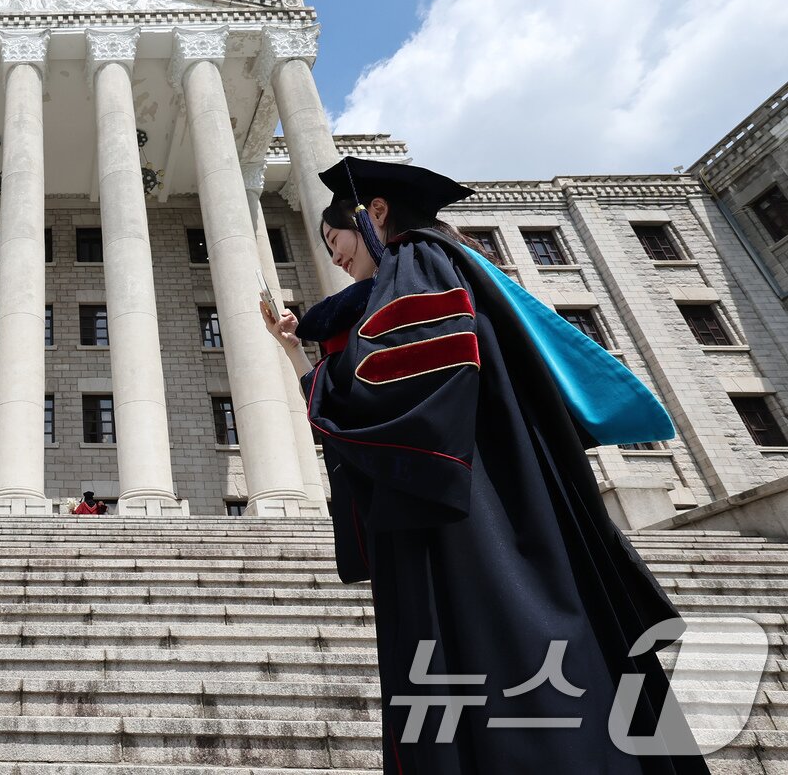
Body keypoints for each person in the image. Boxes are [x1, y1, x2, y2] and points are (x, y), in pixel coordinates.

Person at [261, 156, 708, 774]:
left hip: (467, 510)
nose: (336, 258)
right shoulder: (456, 265)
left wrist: (314, 376)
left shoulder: (416, 262)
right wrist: (303, 353)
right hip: (502, 487)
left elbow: (395, 384)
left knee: (493, 660)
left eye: (335, 240)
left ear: (376, 214)